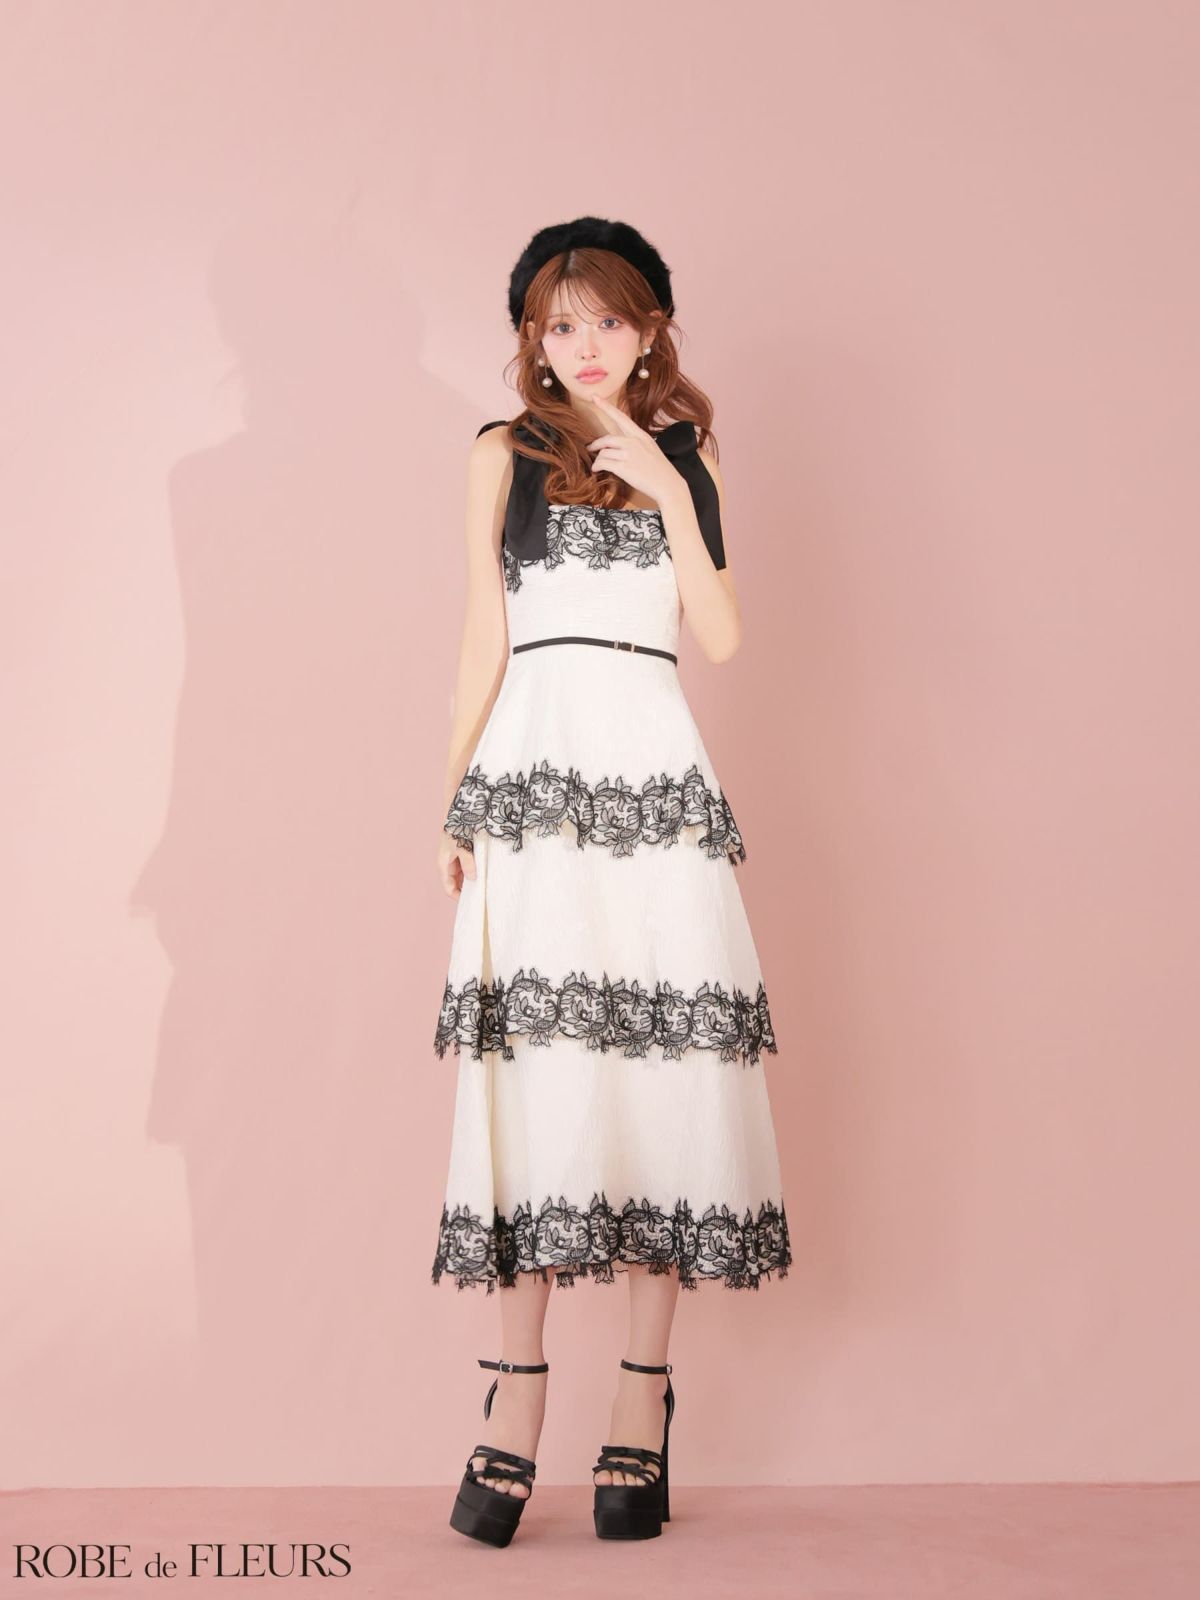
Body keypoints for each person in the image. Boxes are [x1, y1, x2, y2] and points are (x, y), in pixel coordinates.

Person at [431, 216, 792, 1546]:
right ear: (533, 337)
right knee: (534, 1073)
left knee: (661, 1069)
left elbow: (724, 634)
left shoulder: (685, 456)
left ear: (650, 332)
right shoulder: (499, 453)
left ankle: (643, 1394)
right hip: (532, 780)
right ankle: (515, 1389)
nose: (582, 346)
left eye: (607, 321)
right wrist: (453, 794)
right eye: (559, 324)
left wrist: (666, 483)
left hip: (653, 778)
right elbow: (482, 640)